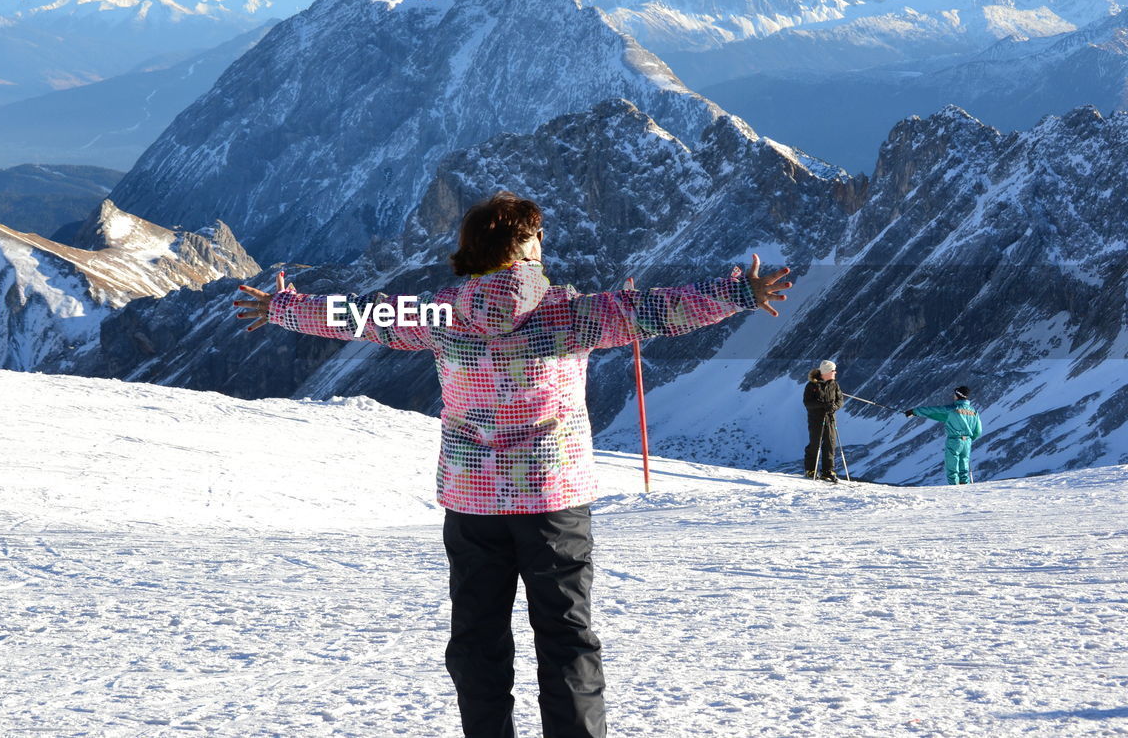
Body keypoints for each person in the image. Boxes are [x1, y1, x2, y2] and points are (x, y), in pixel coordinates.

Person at [234, 191, 793, 738]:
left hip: (472, 501)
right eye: (538, 235)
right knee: (566, 637)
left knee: (478, 639)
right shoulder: (571, 314)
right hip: (553, 498)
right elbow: (658, 310)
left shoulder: (437, 314)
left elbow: (359, 317)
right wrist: (739, 290)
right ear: (525, 246)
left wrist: (282, 305)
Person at [905, 386, 983, 485]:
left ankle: (955, 490)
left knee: (952, 468)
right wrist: (969, 439)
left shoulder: (952, 409)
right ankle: (965, 490)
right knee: (964, 469)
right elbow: (978, 431)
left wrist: (914, 411)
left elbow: (933, 410)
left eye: (955, 394)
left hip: (954, 441)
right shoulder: (974, 411)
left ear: (958, 395)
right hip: (967, 441)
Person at [803, 360, 843, 482]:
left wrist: (834, 407)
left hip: (830, 419)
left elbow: (840, 400)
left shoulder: (834, 384)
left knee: (830, 444)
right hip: (816, 419)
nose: (835, 372)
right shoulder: (812, 386)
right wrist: (824, 405)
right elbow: (808, 403)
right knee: (815, 443)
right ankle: (811, 470)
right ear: (826, 372)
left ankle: (828, 471)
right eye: (833, 370)